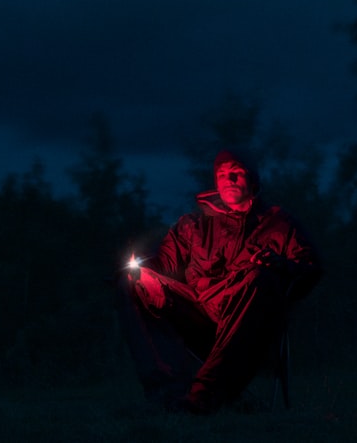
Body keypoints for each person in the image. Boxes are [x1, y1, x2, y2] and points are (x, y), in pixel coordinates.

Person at [117, 149, 322, 414]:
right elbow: (164, 264)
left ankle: (204, 396)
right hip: (198, 315)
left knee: (258, 276)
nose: (230, 179)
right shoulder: (194, 225)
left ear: (252, 179)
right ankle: (167, 390)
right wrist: (139, 268)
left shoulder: (278, 224)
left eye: (237, 172)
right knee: (132, 281)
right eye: (222, 174)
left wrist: (280, 266)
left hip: (247, 326)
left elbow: (311, 268)